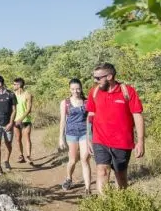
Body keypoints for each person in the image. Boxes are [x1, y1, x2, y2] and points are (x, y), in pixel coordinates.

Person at [86, 62, 144, 195]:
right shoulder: (94, 92)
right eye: (94, 77)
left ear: (110, 76)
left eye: (98, 78)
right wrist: (89, 138)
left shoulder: (127, 91)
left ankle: (121, 205)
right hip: (99, 140)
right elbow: (90, 115)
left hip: (122, 142)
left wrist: (140, 142)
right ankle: (104, 207)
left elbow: (137, 115)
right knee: (102, 171)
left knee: (121, 177)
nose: (95, 81)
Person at [58, 78, 92, 194]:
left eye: (77, 88)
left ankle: (88, 189)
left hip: (84, 133)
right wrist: (60, 138)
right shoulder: (65, 103)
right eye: (73, 89)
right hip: (71, 134)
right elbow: (63, 120)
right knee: (72, 160)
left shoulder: (87, 102)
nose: (75, 91)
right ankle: (69, 178)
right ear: (69, 89)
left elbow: (90, 119)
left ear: (81, 88)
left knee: (85, 159)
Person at [12, 78, 34, 164]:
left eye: (14, 84)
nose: (13, 86)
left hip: (25, 120)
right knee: (18, 139)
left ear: (19, 85)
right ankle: (21, 156)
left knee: (27, 138)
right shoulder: (12, 95)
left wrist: (21, 119)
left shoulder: (27, 94)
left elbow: (29, 109)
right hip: (15, 120)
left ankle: (28, 156)